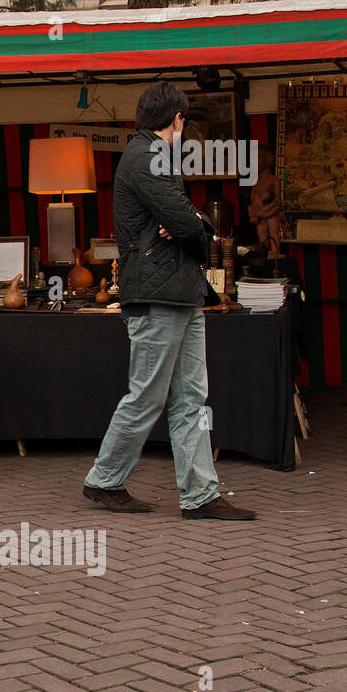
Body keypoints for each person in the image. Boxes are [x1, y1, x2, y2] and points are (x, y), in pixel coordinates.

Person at [83, 81, 256, 520]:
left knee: (190, 399)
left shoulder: (149, 155)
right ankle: (104, 480)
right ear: (176, 118)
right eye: (184, 119)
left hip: (178, 293)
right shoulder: (147, 157)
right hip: (160, 293)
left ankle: (200, 494)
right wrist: (196, 226)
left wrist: (188, 223)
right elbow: (184, 218)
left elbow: (182, 220)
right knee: (149, 397)